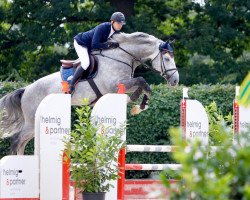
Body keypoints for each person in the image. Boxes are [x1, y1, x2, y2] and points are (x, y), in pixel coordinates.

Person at [69, 12, 126, 94]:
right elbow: (95, 44)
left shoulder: (116, 32)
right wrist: (109, 45)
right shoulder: (103, 27)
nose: (120, 25)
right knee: (86, 63)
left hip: (90, 46)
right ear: (112, 22)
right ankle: (71, 85)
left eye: (122, 23)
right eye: (118, 23)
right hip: (81, 43)